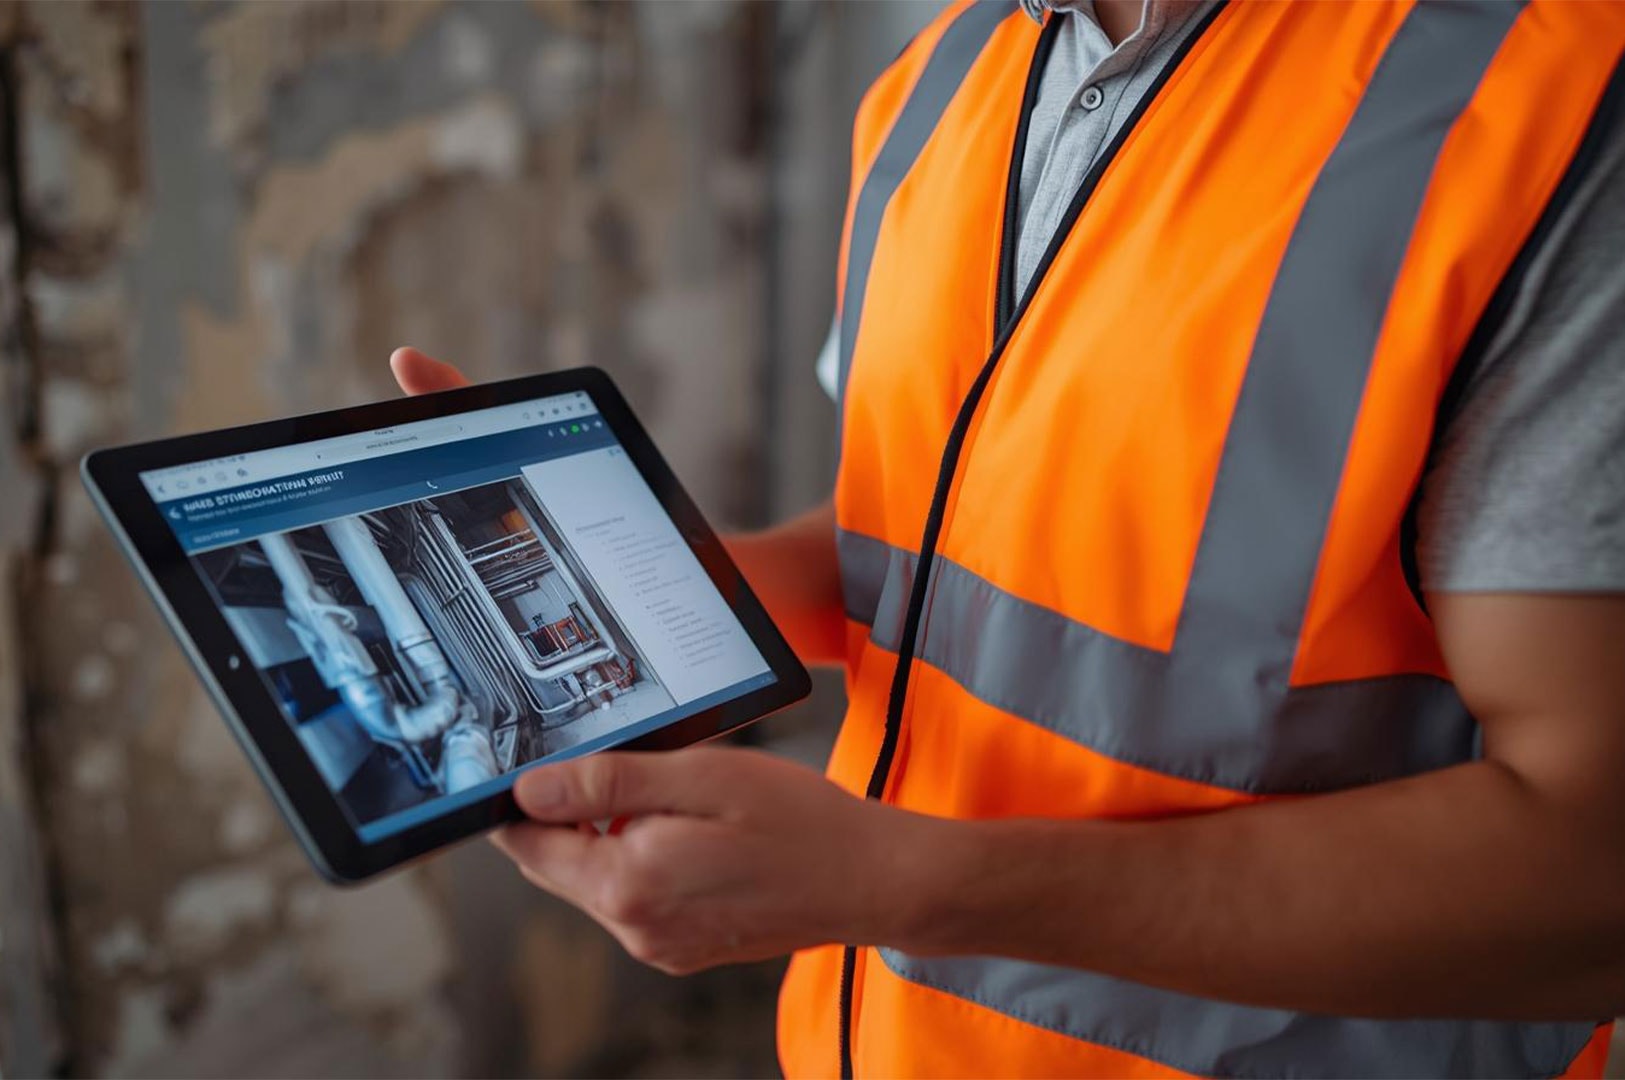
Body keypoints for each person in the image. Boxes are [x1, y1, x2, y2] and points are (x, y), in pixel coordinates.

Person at [391, 0, 1625, 1076]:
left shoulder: (1548, 105)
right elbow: (926, 533)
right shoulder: (940, 76)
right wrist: (640, 590)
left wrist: (908, 887)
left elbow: (1588, 880)